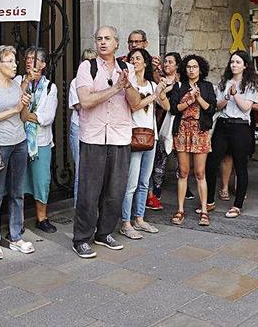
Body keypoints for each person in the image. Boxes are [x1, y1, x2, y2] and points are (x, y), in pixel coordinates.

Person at [72, 26, 141, 258]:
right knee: (89, 191)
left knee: (115, 190)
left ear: (116, 43)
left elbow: (135, 103)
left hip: (120, 136)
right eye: (99, 39)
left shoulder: (127, 68)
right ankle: (81, 238)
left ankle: (104, 234)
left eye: (107, 38)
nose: (103, 42)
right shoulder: (87, 67)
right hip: (93, 136)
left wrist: (128, 86)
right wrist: (116, 88)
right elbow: (86, 100)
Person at [0, 46, 35, 259]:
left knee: (17, 192)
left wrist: (24, 106)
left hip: (19, 141)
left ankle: (15, 235)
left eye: (14, 61)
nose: (15, 65)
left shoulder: (17, 85)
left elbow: (23, 117)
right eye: (10, 61)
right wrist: (14, 109)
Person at [119, 48, 170, 239]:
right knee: (130, 183)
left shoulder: (150, 83)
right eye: (132, 58)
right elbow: (134, 106)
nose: (134, 61)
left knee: (144, 182)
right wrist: (154, 95)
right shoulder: (128, 84)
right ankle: (126, 222)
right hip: (133, 136)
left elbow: (166, 107)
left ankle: (139, 218)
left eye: (138, 58)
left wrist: (161, 92)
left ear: (146, 62)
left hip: (151, 137)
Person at [205, 51, 258, 218]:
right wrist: (227, 96)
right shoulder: (224, 82)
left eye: (238, 62)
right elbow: (219, 106)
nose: (234, 65)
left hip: (240, 127)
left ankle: (237, 205)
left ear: (245, 65)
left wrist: (236, 95)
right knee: (212, 162)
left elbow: (246, 108)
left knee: (240, 165)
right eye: (232, 62)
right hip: (223, 124)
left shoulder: (250, 84)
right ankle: (209, 201)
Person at [169, 54, 217, 226]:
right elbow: (175, 109)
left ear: (200, 69)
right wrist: (189, 99)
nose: (191, 69)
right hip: (182, 129)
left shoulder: (207, 86)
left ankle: (204, 211)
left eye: (195, 66)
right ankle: (180, 209)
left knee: (200, 173)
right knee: (182, 172)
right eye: (189, 67)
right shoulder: (179, 86)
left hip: (200, 131)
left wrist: (198, 98)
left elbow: (210, 109)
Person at [20, 46, 59, 233]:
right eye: (27, 58)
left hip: (40, 142)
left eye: (34, 59)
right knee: (17, 181)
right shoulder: (18, 81)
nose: (29, 61)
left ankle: (41, 218)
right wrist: (26, 82)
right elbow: (13, 104)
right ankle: (16, 220)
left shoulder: (50, 87)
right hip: (18, 140)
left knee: (41, 180)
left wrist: (25, 114)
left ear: (43, 64)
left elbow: (47, 117)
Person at [147, 52, 182, 211]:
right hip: (161, 121)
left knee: (179, 157)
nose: (167, 64)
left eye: (170, 62)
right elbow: (157, 97)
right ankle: (156, 190)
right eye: (165, 62)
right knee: (160, 157)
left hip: (177, 122)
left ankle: (183, 187)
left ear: (176, 65)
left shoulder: (181, 82)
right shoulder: (158, 79)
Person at [69, 48, 97, 203]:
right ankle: (78, 207)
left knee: (95, 171)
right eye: (86, 60)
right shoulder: (76, 82)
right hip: (79, 127)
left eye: (93, 60)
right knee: (81, 170)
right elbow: (81, 105)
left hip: (96, 129)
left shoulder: (102, 81)